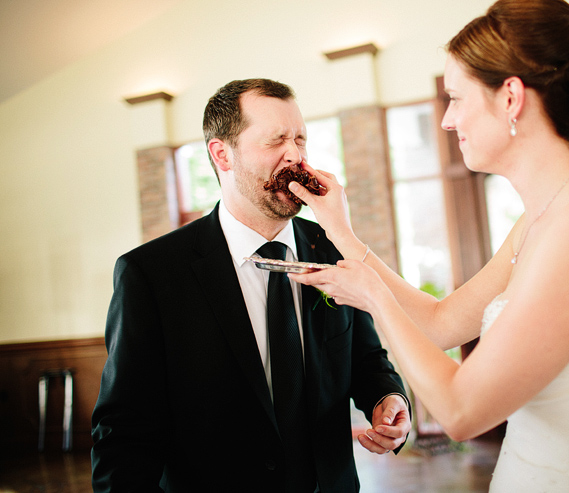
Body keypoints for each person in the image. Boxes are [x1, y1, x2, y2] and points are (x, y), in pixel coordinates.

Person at [287, 0, 569, 491]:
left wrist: (374, 297)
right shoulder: (542, 217)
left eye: (457, 98)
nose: (447, 120)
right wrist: (341, 231)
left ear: (510, 98)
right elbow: (439, 324)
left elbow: (461, 412)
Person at [91, 78, 411, 493]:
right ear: (222, 154)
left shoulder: (331, 245)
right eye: (276, 140)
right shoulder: (151, 273)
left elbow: (365, 358)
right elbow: (125, 430)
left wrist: (388, 399)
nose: (295, 156)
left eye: (300, 139)